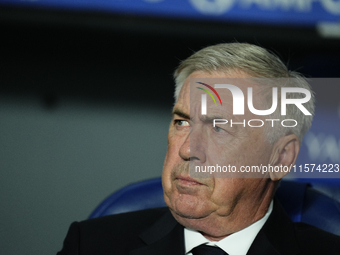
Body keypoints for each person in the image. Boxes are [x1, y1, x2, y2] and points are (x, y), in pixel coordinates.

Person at [57, 43, 340, 255]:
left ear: (280, 158)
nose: (188, 148)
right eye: (181, 121)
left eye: (219, 127)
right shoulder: (91, 245)